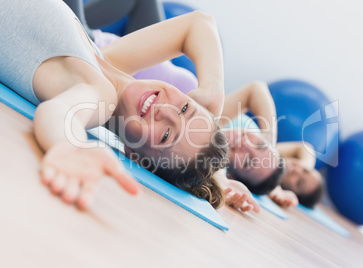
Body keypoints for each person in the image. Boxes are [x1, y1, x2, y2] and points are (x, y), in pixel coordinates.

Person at [0, 0, 227, 209]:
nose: (165, 111)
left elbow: (60, 113)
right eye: (185, 109)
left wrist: (71, 147)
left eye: (166, 135)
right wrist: (212, 89)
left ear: (135, 156)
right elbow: (199, 23)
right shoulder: (108, 62)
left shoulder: (103, 97)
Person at [220, 82, 325, 208]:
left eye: (299, 182)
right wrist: (268, 141)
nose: (297, 170)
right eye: (305, 169)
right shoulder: (266, 150)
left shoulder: (225, 160)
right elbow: (306, 148)